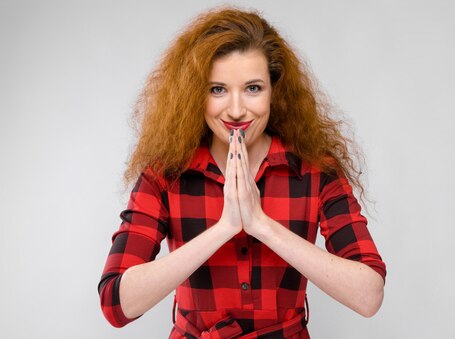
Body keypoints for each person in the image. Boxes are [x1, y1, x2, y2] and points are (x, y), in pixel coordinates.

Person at [98, 7, 386, 339]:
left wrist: (260, 224)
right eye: (217, 89)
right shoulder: (165, 174)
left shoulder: (316, 169)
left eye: (253, 88)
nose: (236, 111)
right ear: (196, 94)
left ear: (274, 90)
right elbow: (115, 304)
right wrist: (225, 227)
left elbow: (369, 296)